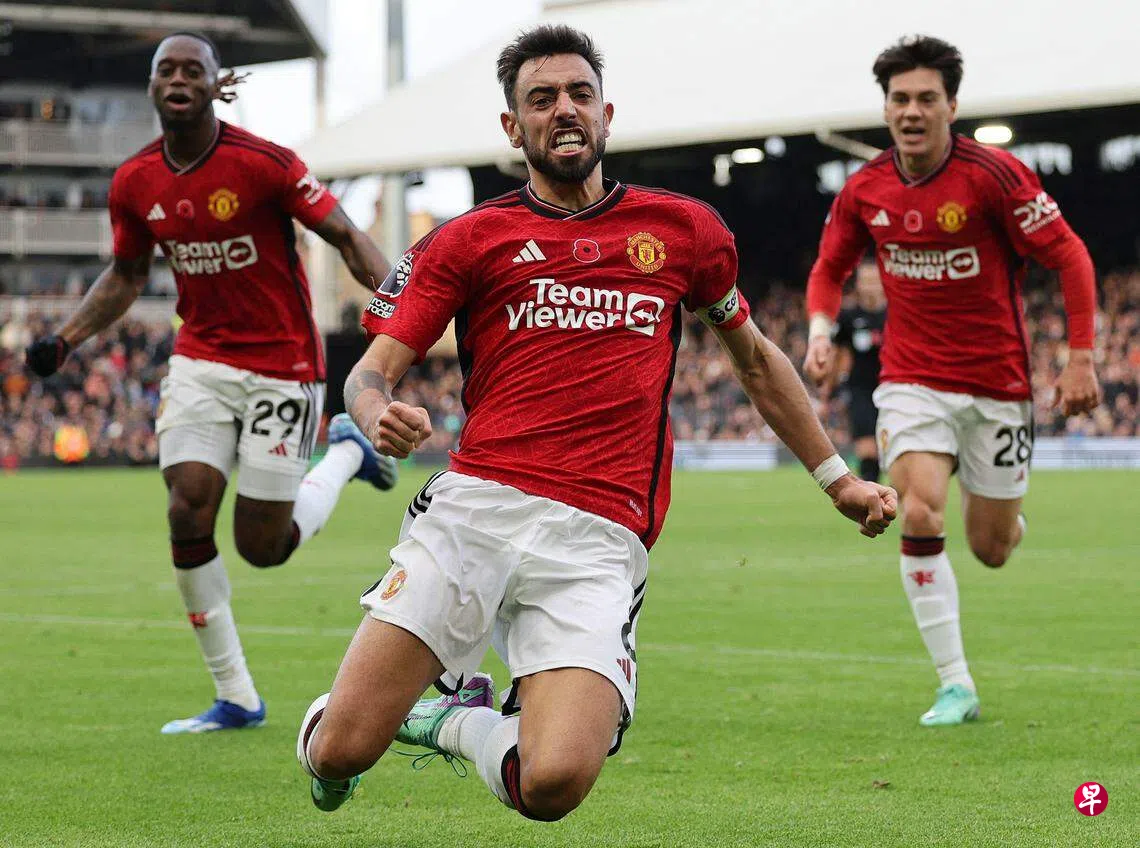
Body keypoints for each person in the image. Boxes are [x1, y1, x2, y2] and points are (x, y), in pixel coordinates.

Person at [295, 24, 896, 821]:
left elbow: (755, 359)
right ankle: (343, 731)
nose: (565, 109)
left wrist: (838, 479)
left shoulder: (684, 231)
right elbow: (370, 371)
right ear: (514, 128)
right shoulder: (468, 239)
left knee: (552, 784)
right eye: (542, 99)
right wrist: (377, 413)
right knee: (341, 750)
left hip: (599, 537)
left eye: (580, 94)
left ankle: (452, 722)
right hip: (475, 512)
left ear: (607, 115)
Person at [24, 32, 399, 734]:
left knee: (263, 547)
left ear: (214, 84)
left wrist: (404, 321)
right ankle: (237, 696)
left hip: (284, 363)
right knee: (186, 509)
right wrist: (66, 339)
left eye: (192, 69)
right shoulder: (135, 181)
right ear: (151, 86)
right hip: (200, 359)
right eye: (165, 69)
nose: (178, 79)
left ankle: (347, 453)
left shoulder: (264, 164)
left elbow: (348, 238)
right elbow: (127, 275)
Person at [803, 35, 1099, 726]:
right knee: (920, 510)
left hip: (999, 386)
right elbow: (829, 268)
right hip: (912, 379)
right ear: (886, 108)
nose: (912, 111)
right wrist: (819, 332)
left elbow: (1070, 256)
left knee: (991, 550)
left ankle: (1005, 519)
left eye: (926, 99)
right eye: (900, 99)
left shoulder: (995, 177)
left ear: (951, 106)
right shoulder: (865, 188)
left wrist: (1081, 357)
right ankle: (955, 684)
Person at [824, 260, 886, 481]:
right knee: (868, 450)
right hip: (860, 390)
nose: (870, 286)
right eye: (866, 281)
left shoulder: (896, 315)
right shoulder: (849, 317)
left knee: (894, 452)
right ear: (858, 284)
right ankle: (872, 498)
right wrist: (828, 390)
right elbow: (838, 355)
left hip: (892, 388)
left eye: (874, 280)